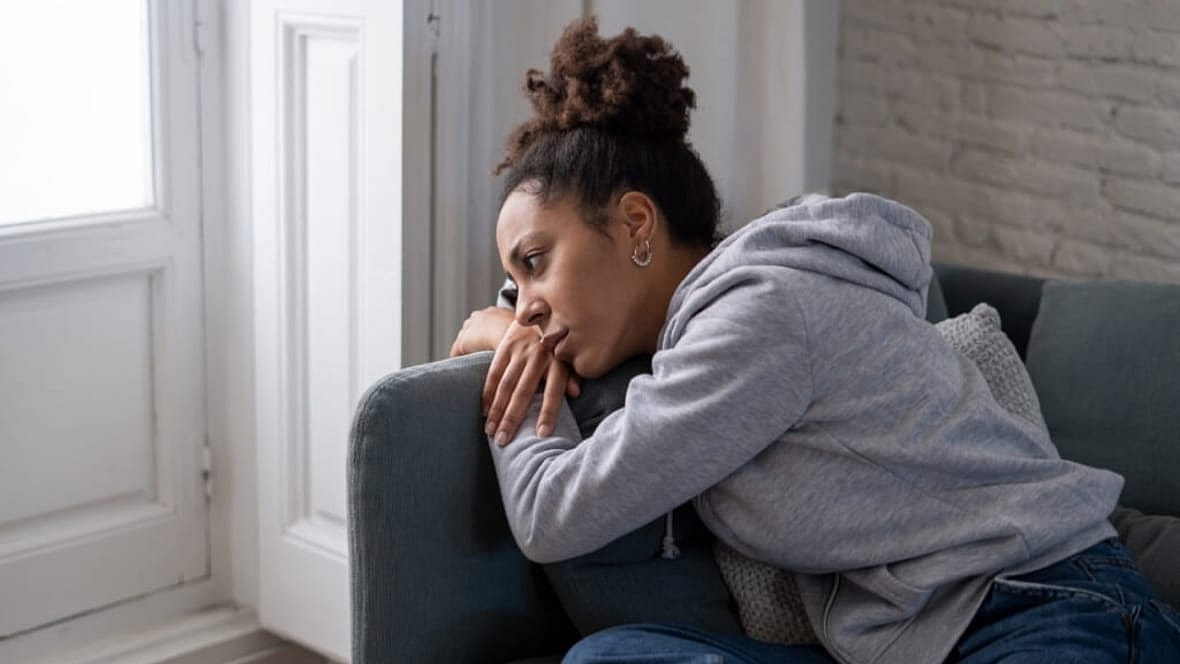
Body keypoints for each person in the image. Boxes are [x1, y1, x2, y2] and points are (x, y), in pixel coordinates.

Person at [449, 17, 1180, 664]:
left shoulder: (761, 315)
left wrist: (502, 346)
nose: (527, 310)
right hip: (910, 641)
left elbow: (554, 514)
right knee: (613, 656)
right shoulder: (717, 328)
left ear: (637, 224)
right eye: (512, 290)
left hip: (1044, 608)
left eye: (534, 263)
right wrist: (512, 320)